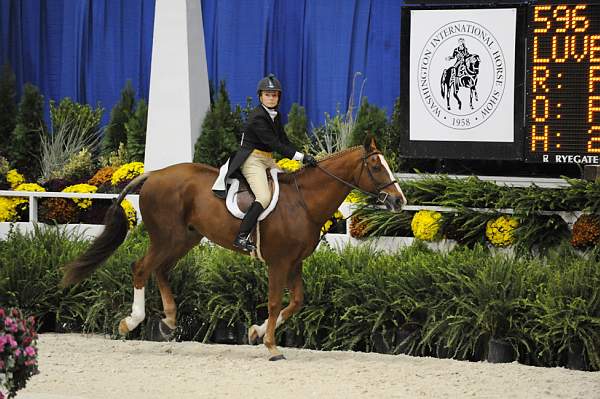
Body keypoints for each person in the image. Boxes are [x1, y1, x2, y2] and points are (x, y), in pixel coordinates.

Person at [227, 74, 317, 252]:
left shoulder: (275, 115)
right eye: (267, 94)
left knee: (288, 188)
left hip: (267, 159)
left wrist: (303, 155)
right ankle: (242, 236)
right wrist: (300, 157)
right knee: (264, 196)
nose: (271, 98)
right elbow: (274, 144)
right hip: (252, 159)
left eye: (274, 95)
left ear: (278, 98)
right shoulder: (258, 117)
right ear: (260, 96)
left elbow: (284, 141)